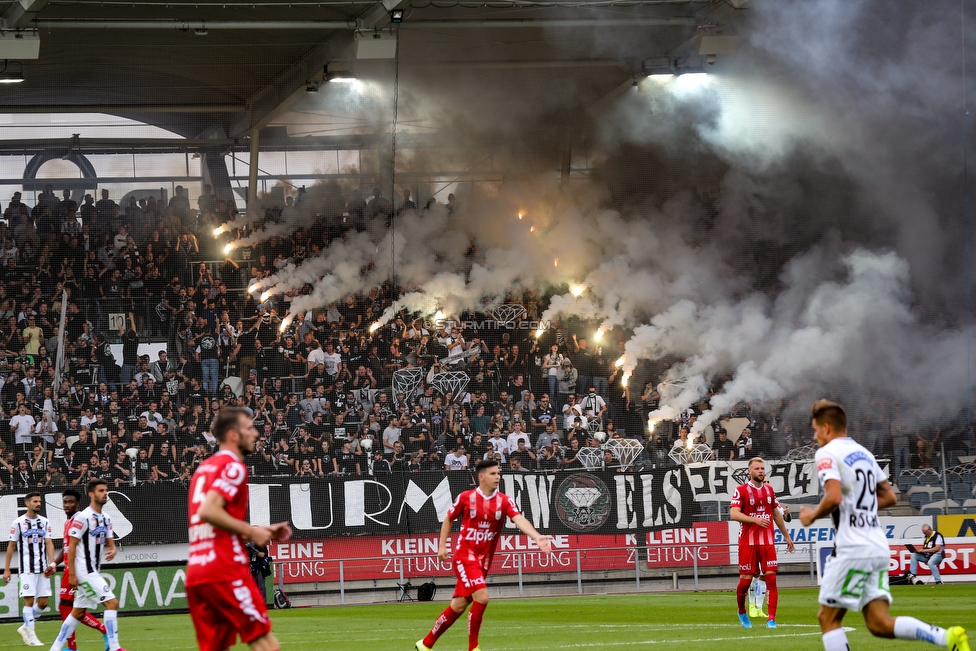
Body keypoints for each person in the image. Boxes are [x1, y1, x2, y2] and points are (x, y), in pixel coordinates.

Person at [799, 399, 970, 651]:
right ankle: (947, 638)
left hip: (852, 546)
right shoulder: (864, 453)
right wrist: (861, 505)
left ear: (826, 427)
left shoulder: (827, 453)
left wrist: (811, 516)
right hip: (877, 546)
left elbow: (834, 496)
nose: (814, 437)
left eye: (815, 430)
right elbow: (889, 496)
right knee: (879, 623)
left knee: (828, 618)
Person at [415, 458, 552, 651]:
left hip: (483, 562)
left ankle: (426, 644)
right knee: (483, 597)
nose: (497, 477)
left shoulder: (504, 501)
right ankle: (473, 648)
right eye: (493, 473)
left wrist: (537, 537)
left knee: (458, 606)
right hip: (465, 557)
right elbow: (448, 519)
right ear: (481, 477)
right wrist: (442, 546)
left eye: (498, 473)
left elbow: (519, 518)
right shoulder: (466, 497)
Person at [186, 407, 293, 651]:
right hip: (225, 569)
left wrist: (259, 529)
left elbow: (211, 519)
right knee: (265, 642)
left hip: (198, 572)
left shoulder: (203, 470)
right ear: (233, 435)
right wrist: (253, 532)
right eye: (249, 428)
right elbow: (209, 511)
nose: (255, 433)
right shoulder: (233, 467)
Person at [49, 479, 126, 651]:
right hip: (85, 571)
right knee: (112, 603)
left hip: (94, 570)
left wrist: (112, 548)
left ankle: (55, 648)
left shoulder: (106, 518)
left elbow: (109, 539)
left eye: (106, 490)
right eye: (100, 490)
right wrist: (73, 574)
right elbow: (71, 546)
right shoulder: (83, 517)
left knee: (76, 613)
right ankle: (114, 647)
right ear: (91, 494)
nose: (104, 493)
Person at [729, 457, 794, 629]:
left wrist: (786, 537)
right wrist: (754, 520)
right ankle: (742, 611)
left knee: (771, 579)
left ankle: (771, 619)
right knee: (745, 582)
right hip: (747, 543)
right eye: (756, 468)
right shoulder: (740, 490)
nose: (760, 471)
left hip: (767, 542)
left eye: (762, 468)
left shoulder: (769, 490)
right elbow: (734, 514)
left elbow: (776, 514)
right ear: (749, 472)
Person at [53, 489, 108, 651]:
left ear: (78, 504)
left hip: (77, 569)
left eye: (71, 502)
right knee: (70, 607)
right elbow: (66, 548)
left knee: (67, 606)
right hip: (69, 569)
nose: (67, 505)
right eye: (65, 502)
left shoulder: (80, 519)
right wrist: (54, 564)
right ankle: (100, 631)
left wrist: (76, 572)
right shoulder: (68, 522)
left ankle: (72, 647)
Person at [4, 491, 55, 646]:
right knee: (29, 600)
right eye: (35, 501)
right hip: (26, 569)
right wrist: (7, 569)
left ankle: (25, 626)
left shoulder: (45, 522)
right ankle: (32, 637)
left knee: (44, 602)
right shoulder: (18, 523)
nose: (38, 504)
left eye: (39, 501)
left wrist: (52, 563)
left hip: (43, 568)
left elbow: (48, 543)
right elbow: (11, 546)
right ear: (27, 503)